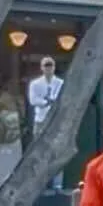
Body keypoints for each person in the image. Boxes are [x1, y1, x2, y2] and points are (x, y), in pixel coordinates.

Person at [28, 56, 65, 188]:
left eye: (51, 66)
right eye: (46, 66)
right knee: (39, 151)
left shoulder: (60, 83)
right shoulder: (35, 84)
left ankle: (57, 184)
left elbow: (62, 99)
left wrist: (52, 101)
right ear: (42, 68)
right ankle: (39, 182)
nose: (48, 68)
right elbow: (33, 100)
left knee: (56, 151)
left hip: (56, 120)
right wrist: (46, 102)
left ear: (54, 67)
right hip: (41, 119)